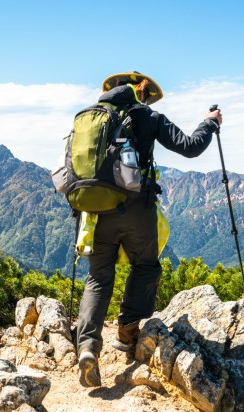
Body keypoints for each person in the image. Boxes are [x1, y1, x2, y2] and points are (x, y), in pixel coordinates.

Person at [76, 71, 222, 388]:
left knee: (98, 277)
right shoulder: (150, 117)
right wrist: (210, 122)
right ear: (142, 94)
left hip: (97, 212)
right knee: (145, 266)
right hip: (136, 208)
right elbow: (190, 147)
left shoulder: (91, 118)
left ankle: (87, 347)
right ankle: (128, 334)